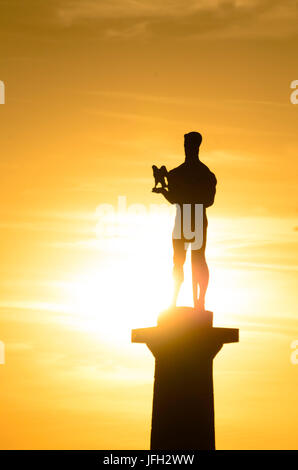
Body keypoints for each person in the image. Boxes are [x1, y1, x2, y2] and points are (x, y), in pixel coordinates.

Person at [153, 132, 217, 311]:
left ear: (195, 147)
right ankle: (177, 302)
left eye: (189, 145)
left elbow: (207, 200)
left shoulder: (197, 174)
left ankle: (198, 302)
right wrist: (166, 192)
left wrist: (174, 193)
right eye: (187, 145)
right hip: (188, 216)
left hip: (191, 216)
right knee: (181, 260)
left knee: (195, 260)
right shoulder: (191, 174)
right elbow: (176, 198)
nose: (188, 148)